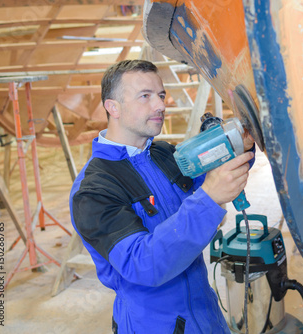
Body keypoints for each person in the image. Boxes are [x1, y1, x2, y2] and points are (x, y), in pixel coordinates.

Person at [70, 59, 255, 334]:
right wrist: (208, 198)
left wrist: (241, 142)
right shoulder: (94, 189)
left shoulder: (163, 154)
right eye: (145, 96)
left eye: (160, 95)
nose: (160, 105)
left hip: (206, 315)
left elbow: (214, 175)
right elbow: (143, 265)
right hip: (153, 324)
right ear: (113, 107)